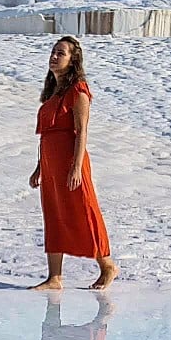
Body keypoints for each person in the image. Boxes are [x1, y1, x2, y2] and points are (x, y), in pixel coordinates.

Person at [27, 36, 118, 290]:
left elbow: (81, 132)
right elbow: (46, 134)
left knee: (84, 211)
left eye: (61, 53)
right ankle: (55, 277)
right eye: (53, 52)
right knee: (54, 214)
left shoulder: (78, 90)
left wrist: (76, 167)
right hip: (50, 164)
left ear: (72, 60)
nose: (54, 56)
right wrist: (39, 167)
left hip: (71, 162)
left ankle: (107, 265)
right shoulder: (51, 93)